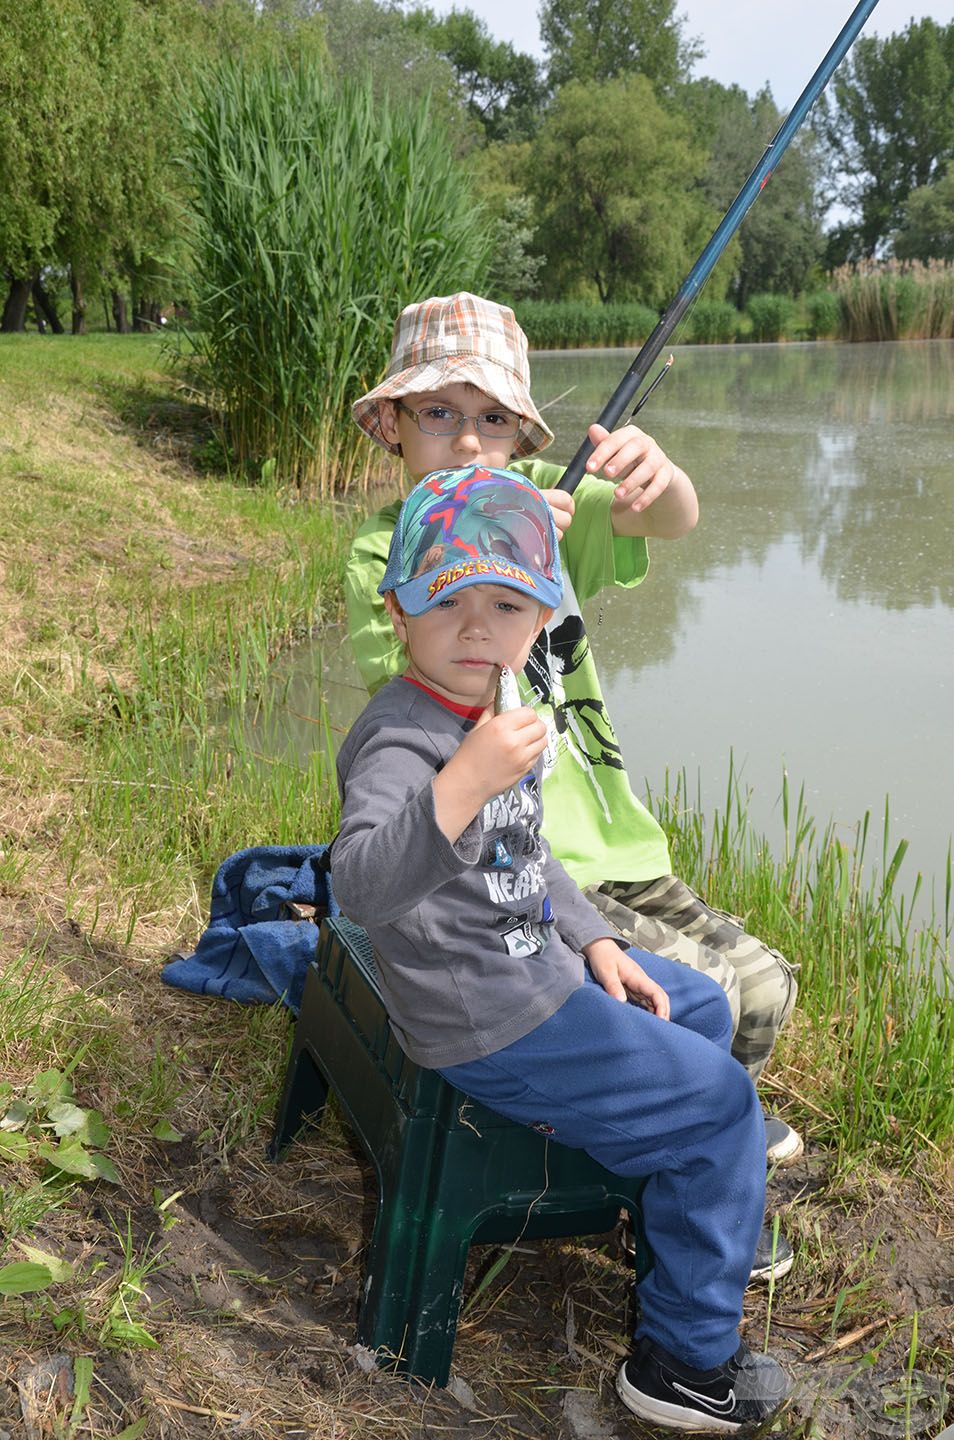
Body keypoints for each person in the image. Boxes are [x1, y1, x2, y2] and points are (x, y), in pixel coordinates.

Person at [332, 466, 790, 1433]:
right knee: (722, 1104)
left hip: (533, 964)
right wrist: (461, 782)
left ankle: (666, 1207)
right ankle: (684, 1363)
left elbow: (528, 852)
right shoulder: (403, 740)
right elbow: (362, 886)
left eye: (505, 604)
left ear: (540, 621)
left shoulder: (494, 712)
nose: (475, 628)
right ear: (397, 610)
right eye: (445, 600)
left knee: (700, 1006)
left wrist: (595, 936)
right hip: (486, 1015)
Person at [345, 291, 802, 1167]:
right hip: (516, 867)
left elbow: (673, 521)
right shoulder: (388, 555)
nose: (469, 441)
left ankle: (705, 1132)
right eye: (439, 414)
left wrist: (657, 477)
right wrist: (501, 562)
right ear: (395, 426)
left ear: (521, 434)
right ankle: (678, 1147)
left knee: (765, 987)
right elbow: (435, 695)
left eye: (492, 419)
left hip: (617, 845)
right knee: (699, 995)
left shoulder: (551, 507)